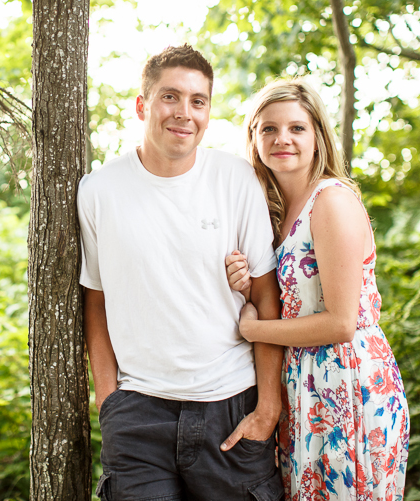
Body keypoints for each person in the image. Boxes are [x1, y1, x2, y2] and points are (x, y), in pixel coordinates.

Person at [78, 44, 285, 501]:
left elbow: (268, 295)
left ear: (208, 111)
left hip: (231, 405)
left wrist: (269, 405)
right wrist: (108, 399)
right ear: (142, 105)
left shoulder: (235, 179)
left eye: (198, 100)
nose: (184, 113)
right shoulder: (98, 191)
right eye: (170, 97)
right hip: (138, 413)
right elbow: (96, 298)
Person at [225, 78, 410, 500]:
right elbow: (290, 296)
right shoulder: (277, 210)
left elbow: (342, 323)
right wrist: (243, 282)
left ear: (317, 136)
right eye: (268, 128)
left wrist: (254, 330)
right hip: (305, 386)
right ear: (253, 138)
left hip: (348, 381)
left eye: (296, 128)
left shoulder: (331, 200)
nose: (281, 139)